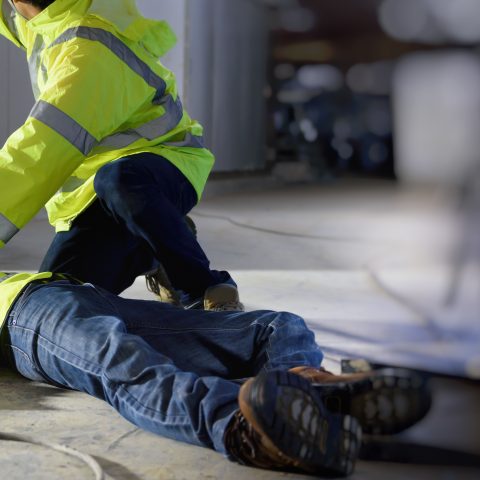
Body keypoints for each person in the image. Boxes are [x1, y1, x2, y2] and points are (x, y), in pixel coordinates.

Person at [0, 271, 432, 476]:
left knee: (276, 326)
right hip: (21, 318)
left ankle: (301, 388)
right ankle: (249, 427)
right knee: (129, 366)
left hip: (64, 288)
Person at [0, 0, 242, 311]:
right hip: (91, 196)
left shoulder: (88, 45)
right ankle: (151, 246)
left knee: (120, 180)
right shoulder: (37, 19)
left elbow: (38, 151)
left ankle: (199, 285)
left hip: (161, 161)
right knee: (58, 302)